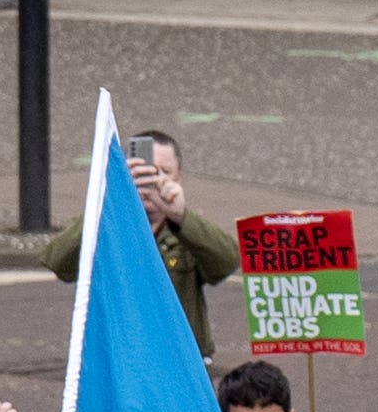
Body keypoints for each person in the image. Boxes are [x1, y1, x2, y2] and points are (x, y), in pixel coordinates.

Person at [44, 127, 243, 354]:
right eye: (144, 172)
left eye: (164, 172)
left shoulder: (187, 231)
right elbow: (58, 262)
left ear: (179, 178)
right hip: (119, 358)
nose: (154, 181)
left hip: (175, 359)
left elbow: (227, 262)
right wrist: (109, 200)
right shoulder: (107, 222)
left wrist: (181, 216)